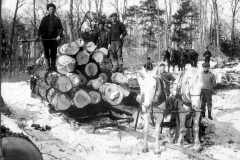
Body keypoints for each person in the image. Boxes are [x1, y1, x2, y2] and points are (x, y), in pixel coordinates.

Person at [37, 3, 63, 71]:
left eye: (53, 9)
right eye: (50, 9)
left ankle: (53, 67)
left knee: (53, 52)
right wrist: (38, 36)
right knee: (46, 52)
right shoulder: (44, 19)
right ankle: (48, 66)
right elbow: (41, 28)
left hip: (54, 39)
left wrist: (59, 36)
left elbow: (61, 29)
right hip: (45, 38)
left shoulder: (57, 20)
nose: (51, 10)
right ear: (48, 10)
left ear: (55, 10)